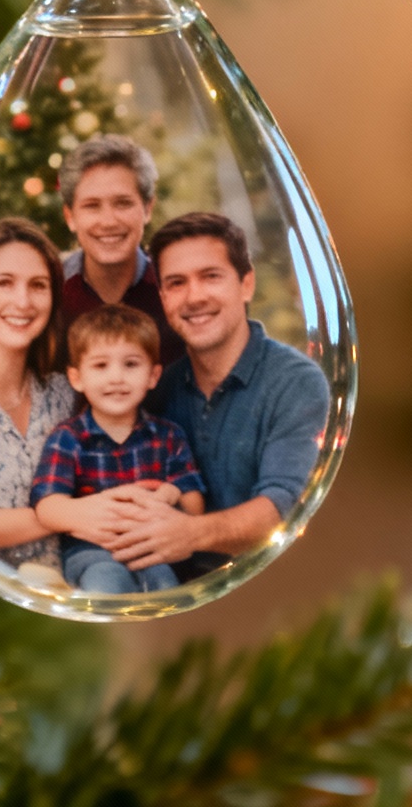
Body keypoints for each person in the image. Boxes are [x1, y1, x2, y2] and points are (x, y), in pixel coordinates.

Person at [0, 217, 172, 573]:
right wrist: (68, 515)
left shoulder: (63, 392)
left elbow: (106, 476)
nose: (23, 301)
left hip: (76, 593)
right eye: (4, 283)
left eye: (38, 285)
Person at [100, 211, 330, 580]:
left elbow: (284, 509)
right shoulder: (158, 390)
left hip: (278, 589)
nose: (194, 297)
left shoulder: (296, 383)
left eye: (210, 276)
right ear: (163, 297)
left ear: (246, 284)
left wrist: (190, 535)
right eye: (176, 283)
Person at [31, 304, 205, 594]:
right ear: (77, 377)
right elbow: (47, 507)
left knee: (164, 582)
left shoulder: (168, 436)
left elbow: (194, 507)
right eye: (100, 365)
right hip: (89, 551)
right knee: (106, 580)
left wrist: (171, 496)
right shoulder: (68, 438)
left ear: (152, 375)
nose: (116, 378)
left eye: (131, 364)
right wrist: (82, 515)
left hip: (152, 547)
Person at [57, 135, 185, 367]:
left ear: (147, 209)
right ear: (70, 217)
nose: (108, 221)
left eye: (123, 203)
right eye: (92, 206)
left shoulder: (175, 290)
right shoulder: (50, 292)